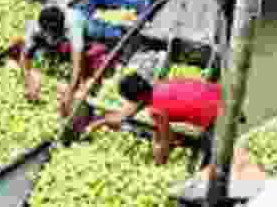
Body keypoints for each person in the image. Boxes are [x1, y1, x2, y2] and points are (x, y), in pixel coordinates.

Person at [88, 73, 252, 170]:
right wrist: (100, 123)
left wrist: (158, 166)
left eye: (129, 100)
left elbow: (165, 140)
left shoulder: (157, 109)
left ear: (137, 98)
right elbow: (126, 113)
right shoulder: (160, 85)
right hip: (224, 95)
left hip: (218, 114)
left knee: (214, 153)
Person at [14, 6, 108, 117]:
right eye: (47, 35)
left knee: (100, 32)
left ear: (62, 29)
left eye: (54, 35)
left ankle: (107, 26)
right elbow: (24, 56)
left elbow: (77, 64)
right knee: (46, 47)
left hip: (84, 23)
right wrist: (29, 81)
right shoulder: (34, 26)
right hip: (62, 28)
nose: (50, 38)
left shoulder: (73, 26)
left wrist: (69, 93)